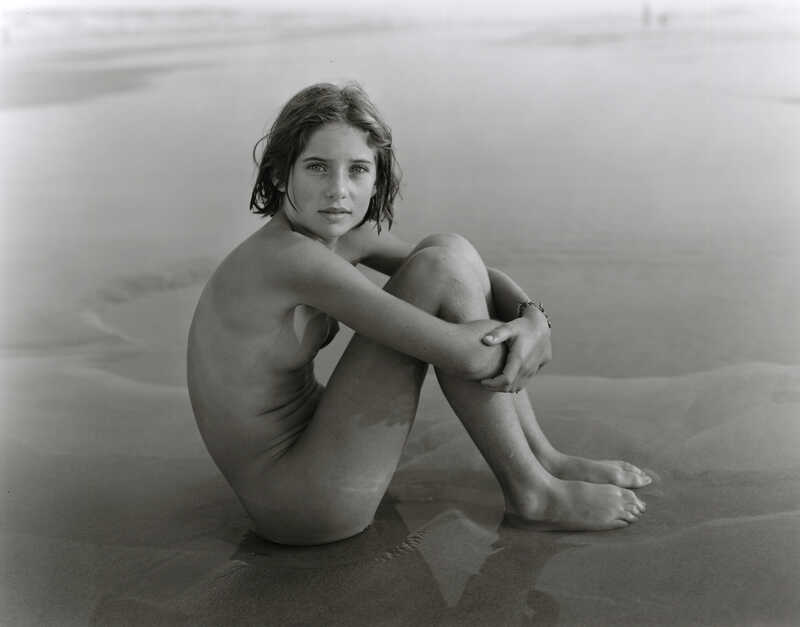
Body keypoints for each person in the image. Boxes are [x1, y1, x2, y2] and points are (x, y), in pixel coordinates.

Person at [187, 82, 650, 546]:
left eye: (357, 170)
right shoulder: (288, 259)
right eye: (317, 167)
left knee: (448, 248)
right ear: (279, 174)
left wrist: (533, 319)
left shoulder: (339, 236)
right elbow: (468, 356)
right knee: (438, 268)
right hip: (299, 502)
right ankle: (532, 491)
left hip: (317, 446)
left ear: (376, 179)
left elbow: (474, 274)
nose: (338, 190)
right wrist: (519, 340)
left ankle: (543, 459)